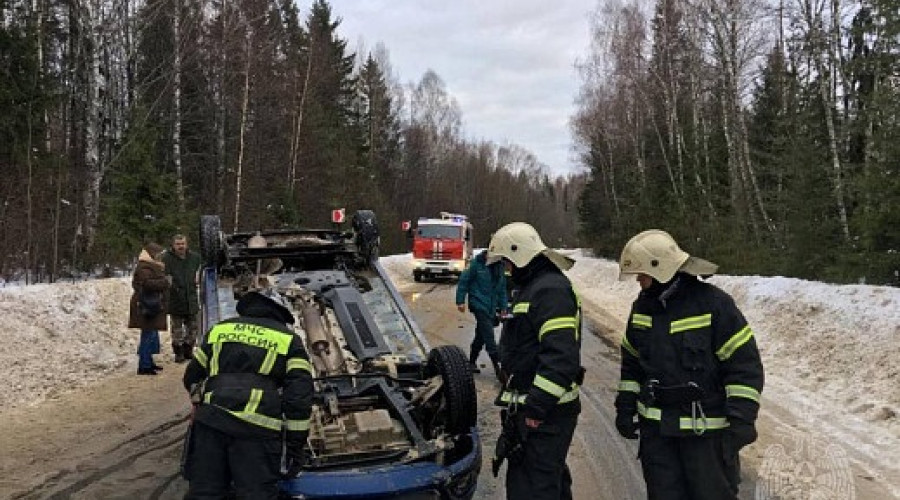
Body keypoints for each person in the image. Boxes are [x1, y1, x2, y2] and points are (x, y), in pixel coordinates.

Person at [614, 230, 764, 500]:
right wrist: (625, 406)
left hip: (705, 439)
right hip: (658, 438)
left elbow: (744, 366)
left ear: (658, 268)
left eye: (641, 273)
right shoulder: (642, 308)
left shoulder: (714, 304)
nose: (638, 279)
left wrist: (741, 422)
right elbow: (631, 363)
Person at [182, 288, 313, 499]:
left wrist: (202, 402)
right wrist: (295, 445)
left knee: (205, 492)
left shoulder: (219, 330)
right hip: (256, 432)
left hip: (210, 425)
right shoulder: (289, 340)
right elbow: (298, 397)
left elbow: (192, 377)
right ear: (280, 314)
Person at [487, 222, 583, 500]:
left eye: (507, 262)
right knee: (547, 482)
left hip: (546, 413)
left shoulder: (550, 291)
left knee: (533, 489)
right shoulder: (534, 287)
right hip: (535, 410)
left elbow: (561, 358)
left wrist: (535, 409)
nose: (506, 269)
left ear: (520, 255)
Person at [455, 249, 507, 381]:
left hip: (491, 306)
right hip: (478, 303)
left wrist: (503, 307)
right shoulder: (476, 264)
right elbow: (464, 281)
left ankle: (471, 362)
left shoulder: (500, 268)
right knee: (488, 334)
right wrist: (460, 300)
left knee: (481, 334)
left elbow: (501, 290)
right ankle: (498, 366)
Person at [128, 242, 170, 375]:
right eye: (158, 254)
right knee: (147, 334)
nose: (160, 257)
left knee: (151, 334)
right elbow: (147, 284)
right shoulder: (145, 267)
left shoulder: (149, 266)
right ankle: (144, 365)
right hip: (146, 306)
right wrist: (165, 282)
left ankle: (148, 362)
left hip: (150, 305)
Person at [161, 234, 202, 363]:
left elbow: (201, 270)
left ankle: (188, 350)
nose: (181, 246)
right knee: (177, 330)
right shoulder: (166, 258)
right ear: (173, 245)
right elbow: (162, 275)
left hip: (191, 298)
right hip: (175, 299)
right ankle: (178, 353)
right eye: (178, 244)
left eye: (183, 244)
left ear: (186, 244)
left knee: (193, 328)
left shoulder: (194, 258)